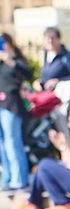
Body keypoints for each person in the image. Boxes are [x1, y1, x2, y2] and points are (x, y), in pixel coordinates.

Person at [11, 106, 70, 209]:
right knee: (41, 169)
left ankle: (61, 202)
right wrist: (62, 146)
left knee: (45, 165)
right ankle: (33, 201)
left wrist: (63, 147)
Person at [0, 33, 33, 192]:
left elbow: (28, 74)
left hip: (11, 104)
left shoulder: (16, 61)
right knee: (2, 145)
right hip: (1, 104)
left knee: (12, 142)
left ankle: (19, 179)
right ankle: (7, 178)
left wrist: (11, 61)